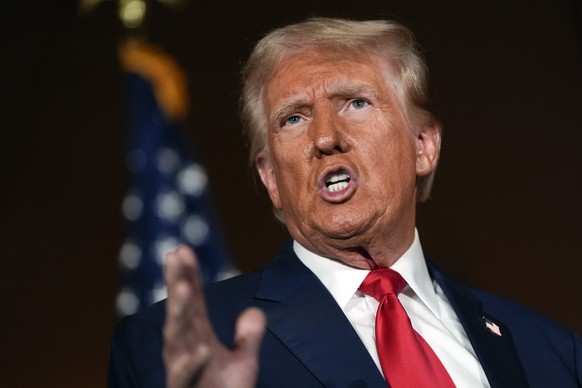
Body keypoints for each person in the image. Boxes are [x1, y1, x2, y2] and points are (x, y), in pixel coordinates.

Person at [108, 17, 582, 387]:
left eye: (355, 103)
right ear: (270, 177)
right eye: (293, 118)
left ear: (423, 146)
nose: (326, 137)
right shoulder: (182, 344)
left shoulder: (549, 352)